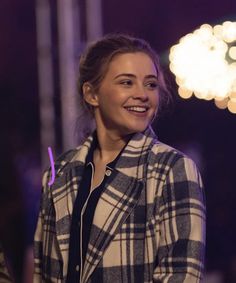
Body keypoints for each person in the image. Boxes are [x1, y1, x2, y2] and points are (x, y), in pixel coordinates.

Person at [34, 34, 206, 282]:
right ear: (92, 94)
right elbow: (43, 271)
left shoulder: (171, 169)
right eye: (127, 82)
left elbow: (182, 275)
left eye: (151, 84)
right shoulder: (58, 173)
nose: (142, 94)